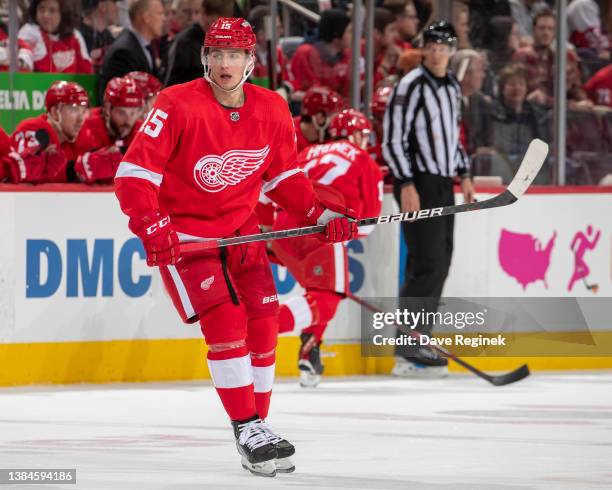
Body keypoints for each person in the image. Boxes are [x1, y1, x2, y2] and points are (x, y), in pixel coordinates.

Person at [113, 17, 357, 477]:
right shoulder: (175, 104)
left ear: (250, 60)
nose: (225, 64)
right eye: (217, 54)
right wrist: (152, 223)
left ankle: (257, 431)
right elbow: (134, 176)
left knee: (264, 321)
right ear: (206, 57)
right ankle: (247, 425)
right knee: (226, 321)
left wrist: (319, 216)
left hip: (243, 231)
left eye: (235, 55)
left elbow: (286, 178)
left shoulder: (271, 108)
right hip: (187, 237)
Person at [382, 21, 475, 377]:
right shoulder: (411, 85)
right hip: (416, 182)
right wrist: (405, 183)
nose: (437, 52)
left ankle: (421, 337)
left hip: (441, 182)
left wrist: (463, 174)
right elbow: (393, 138)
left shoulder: (451, 85)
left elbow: (454, 136)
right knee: (426, 262)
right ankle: (408, 348)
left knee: (441, 260)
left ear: (452, 51)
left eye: (443, 46)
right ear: (424, 49)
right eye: (431, 46)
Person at [272, 109, 383, 388]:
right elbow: (367, 225)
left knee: (319, 292)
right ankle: (263, 328)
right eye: (365, 136)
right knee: (327, 297)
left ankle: (310, 351)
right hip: (322, 224)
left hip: (282, 225)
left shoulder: (306, 153)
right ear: (357, 134)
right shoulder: (362, 159)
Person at [7, 81, 89, 183]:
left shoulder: (78, 139)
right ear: (55, 112)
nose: (80, 119)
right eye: (74, 110)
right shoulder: (33, 129)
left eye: (83, 111)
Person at [75, 76, 145, 184]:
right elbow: (78, 174)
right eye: (122, 113)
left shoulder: (141, 128)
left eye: (133, 113)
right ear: (107, 109)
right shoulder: (87, 126)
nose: (129, 121)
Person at [98, 0, 166, 101]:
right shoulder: (124, 52)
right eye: (160, 13)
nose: (164, 19)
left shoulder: (145, 47)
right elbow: (118, 99)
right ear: (146, 17)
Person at [163, 0, 233, 86]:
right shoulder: (184, 43)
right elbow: (171, 83)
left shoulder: (223, 40)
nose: (219, 27)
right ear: (203, 14)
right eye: (214, 21)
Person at [18, 0, 93, 73]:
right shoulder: (29, 32)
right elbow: (26, 65)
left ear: (63, 13)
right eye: (41, 9)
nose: (45, 15)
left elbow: (86, 70)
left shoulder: (75, 36)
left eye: (52, 10)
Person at [289, 8, 351, 97]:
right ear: (337, 33)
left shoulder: (348, 55)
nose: (354, 36)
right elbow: (310, 92)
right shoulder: (305, 54)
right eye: (349, 31)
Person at [293, 86, 343, 152]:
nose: (337, 120)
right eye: (332, 115)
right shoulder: (288, 134)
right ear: (319, 116)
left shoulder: (330, 137)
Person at [78, 0, 119, 71]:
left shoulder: (106, 35)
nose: (117, 8)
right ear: (102, 7)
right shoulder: (77, 38)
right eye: (114, 3)